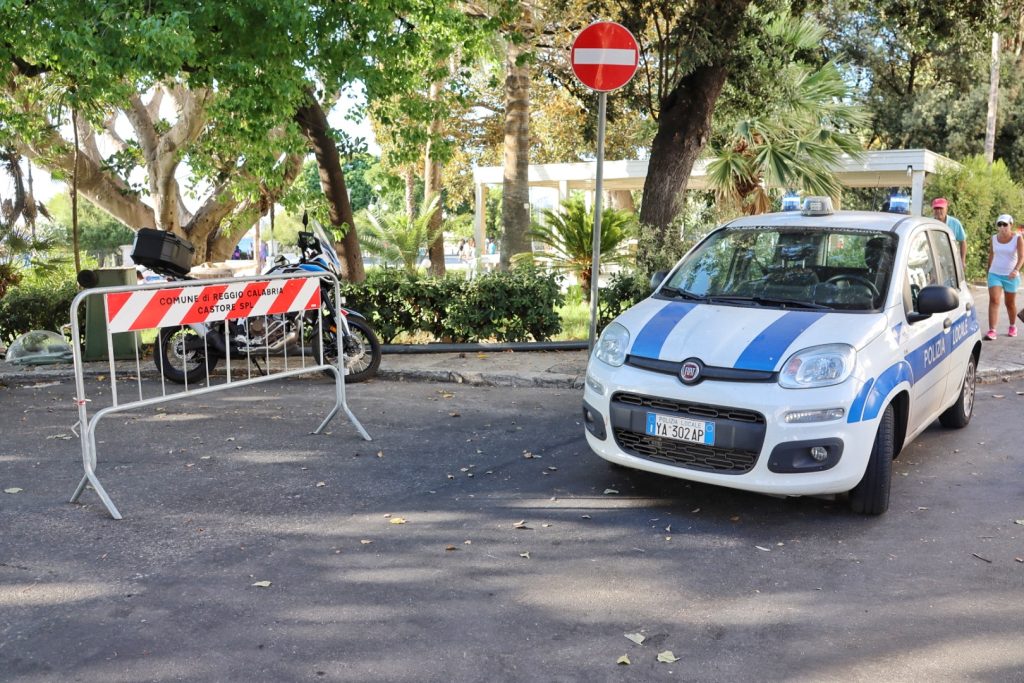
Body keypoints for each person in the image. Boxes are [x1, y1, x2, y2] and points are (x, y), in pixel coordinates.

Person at [985, 214, 1024, 340]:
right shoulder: (994, 238)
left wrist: (1016, 270)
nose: (1002, 227)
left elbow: (1022, 256)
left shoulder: (1018, 238)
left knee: (1010, 303)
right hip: (995, 273)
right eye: (1000, 224)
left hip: (1011, 275)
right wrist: (988, 270)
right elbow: (991, 254)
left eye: (1005, 224)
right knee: (994, 300)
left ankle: (1012, 326)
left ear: (1011, 225)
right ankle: (992, 330)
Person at [931, 197, 967, 262]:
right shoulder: (929, 223)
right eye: (936, 208)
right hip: (933, 260)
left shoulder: (955, 223)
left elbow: (963, 241)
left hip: (951, 261)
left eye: (941, 208)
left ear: (946, 209)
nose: (938, 211)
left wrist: (963, 260)